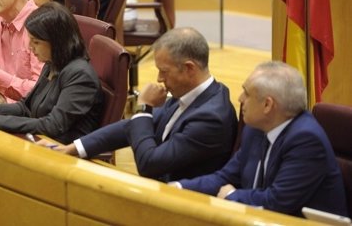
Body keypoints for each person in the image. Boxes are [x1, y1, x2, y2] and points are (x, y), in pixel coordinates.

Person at [48, 27, 237, 182]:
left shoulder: (211, 118)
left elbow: (149, 165)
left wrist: (143, 108)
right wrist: (74, 148)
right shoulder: (189, 94)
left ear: (189, 68)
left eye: (164, 71)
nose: (159, 79)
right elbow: (132, 127)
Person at [174, 61, 348, 218]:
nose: (240, 99)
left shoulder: (306, 140)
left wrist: (230, 196)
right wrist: (178, 188)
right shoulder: (256, 128)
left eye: (247, 93)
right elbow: (225, 177)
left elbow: (276, 202)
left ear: (268, 105)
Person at [0, 2, 104, 143]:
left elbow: (53, 125)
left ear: (56, 41)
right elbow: (25, 106)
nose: (30, 47)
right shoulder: (52, 64)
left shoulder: (80, 76)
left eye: (36, 42)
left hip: (63, 155)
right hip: (39, 140)